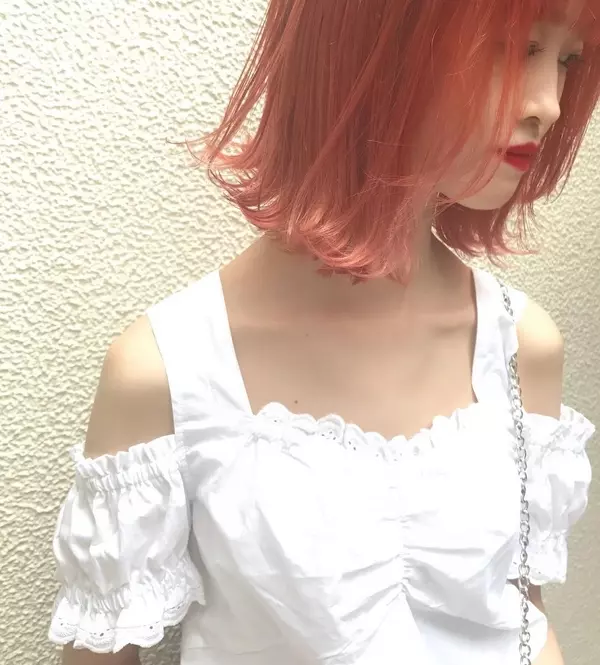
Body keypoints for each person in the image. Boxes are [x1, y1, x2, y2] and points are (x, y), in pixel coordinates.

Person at [48, 1, 598, 664]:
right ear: (372, 44)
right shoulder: (166, 372)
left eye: (567, 61)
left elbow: (522, 613)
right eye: (511, 49)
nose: (550, 104)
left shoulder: (522, 345)